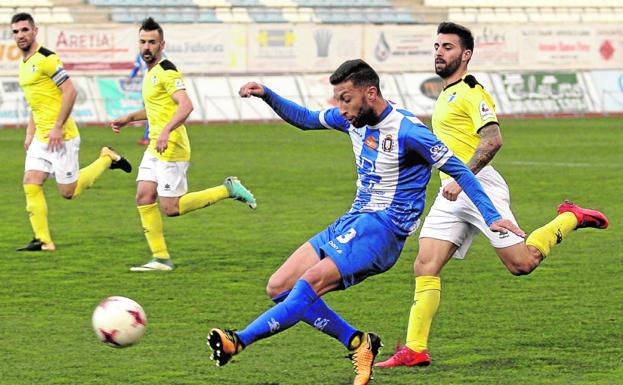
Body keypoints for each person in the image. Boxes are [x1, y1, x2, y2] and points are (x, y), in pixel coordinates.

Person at [207, 59, 525, 385]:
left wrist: (492, 216)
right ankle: (359, 343)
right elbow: (304, 119)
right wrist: (267, 94)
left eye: (346, 99)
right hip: (353, 221)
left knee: (307, 285)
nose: (340, 108)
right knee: (279, 287)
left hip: (383, 230)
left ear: (370, 93)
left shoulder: (409, 132)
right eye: (337, 100)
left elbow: (459, 169)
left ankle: (238, 340)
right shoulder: (353, 120)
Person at [375, 22, 609, 368]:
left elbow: (493, 139)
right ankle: (415, 348)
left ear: (466, 55)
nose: (439, 52)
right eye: (437, 46)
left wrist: (463, 176)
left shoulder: (472, 92)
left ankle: (569, 216)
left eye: (448, 47)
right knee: (425, 264)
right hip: (451, 191)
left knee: (522, 264)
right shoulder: (446, 93)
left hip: (478, 186)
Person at [110, 18, 257, 272]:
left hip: (172, 146)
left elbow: (186, 105)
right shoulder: (151, 73)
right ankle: (160, 259)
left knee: (171, 208)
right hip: (156, 145)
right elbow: (156, 109)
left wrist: (167, 130)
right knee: (144, 195)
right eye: (143, 42)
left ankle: (228, 189)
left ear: (162, 44)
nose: (147, 47)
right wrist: (129, 118)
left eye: (152, 42)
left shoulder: (167, 71)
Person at [11, 13, 132, 252]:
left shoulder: (47, 59)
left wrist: (57, 127)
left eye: (24, 30)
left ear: (35, 31)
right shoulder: (23, 64)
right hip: (40, 137)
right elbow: (36, 104)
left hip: (62, 136)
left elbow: (70, 91)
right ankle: (44, 240)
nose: (20, 35)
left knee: (68, 192)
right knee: (31, 182)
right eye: (15, 32)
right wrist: (29, 133)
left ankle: (107, 158)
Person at [126, 52, 152, 145]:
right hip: (147, 86)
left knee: (150, 112)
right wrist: (131, 77)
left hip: (155, 86)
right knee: (149, 113)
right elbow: (136, 69)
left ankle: (148, 137)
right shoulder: (139, 56)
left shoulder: (160, 55)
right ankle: (148, 136)